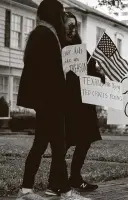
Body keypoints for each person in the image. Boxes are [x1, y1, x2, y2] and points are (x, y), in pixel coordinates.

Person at [16, 1, 89, 200]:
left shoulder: (43, 33)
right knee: (57, 146)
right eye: (60, 13)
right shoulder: (45, 35)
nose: (62, 16)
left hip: (46, 100)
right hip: (51, 101)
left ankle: (26, 189)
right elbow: (48, 71)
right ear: (53, 13)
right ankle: (64, 192)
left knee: (41, 144)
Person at [45, 11, 104, 196]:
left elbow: (90, 67)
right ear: (61, 26)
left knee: (85, 140)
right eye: (68, 25)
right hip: (67, 102)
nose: (72, 29)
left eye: (74, 26)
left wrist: (99, 75)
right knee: (65, 142)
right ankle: (54, 182)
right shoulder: (57, 45)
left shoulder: (79, 47)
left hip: (84, 101)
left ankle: (76, 177)